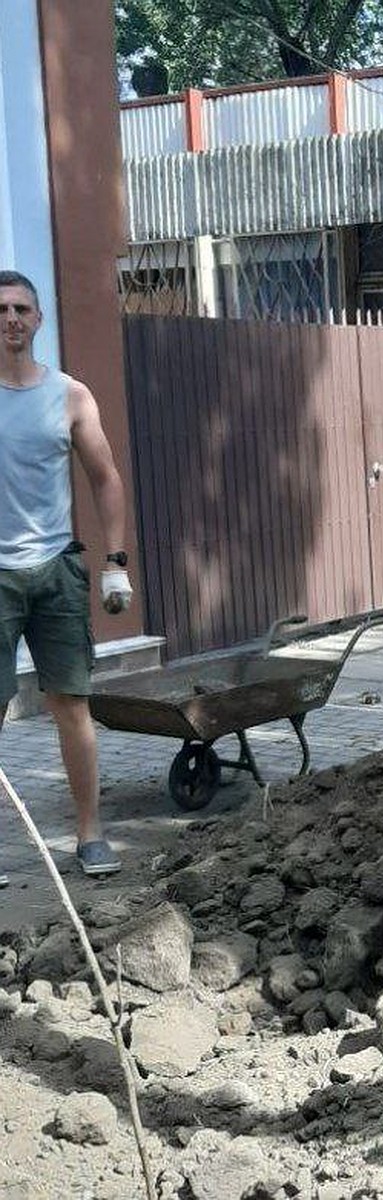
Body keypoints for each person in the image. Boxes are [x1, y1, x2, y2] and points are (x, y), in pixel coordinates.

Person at [0, 270, 133, 883]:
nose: (11, 319)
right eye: (1, 310)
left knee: (70, 705)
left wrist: (115, 563)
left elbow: (105, 478)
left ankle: (89, 833)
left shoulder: (71, 396)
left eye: (22, 309)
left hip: (55, 571)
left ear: (39, 320)